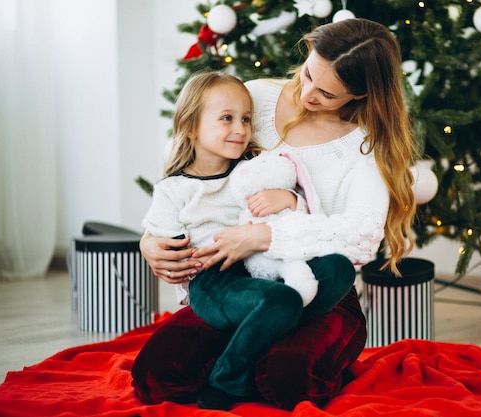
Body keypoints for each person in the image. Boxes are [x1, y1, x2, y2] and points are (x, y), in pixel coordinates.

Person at [132, 17, 418, 410]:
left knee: (288, 381)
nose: (308, 94)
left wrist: (265, 236)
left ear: (361, 94)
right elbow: (192, 165)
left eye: (327, 94)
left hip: (318, 283)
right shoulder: (253, 99)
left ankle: (252, 357)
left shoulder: (365, 148)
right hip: (238, 276)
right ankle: (259, 340)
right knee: (159, 376)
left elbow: (362, 234)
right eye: (308, 74)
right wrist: (151, 242)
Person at [141, 71, 341, 410]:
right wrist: (149, 244)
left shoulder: (253, 170)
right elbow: (159, 243)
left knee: (335, 269)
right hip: (214, 279)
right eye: (226, 119)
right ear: (191, 126)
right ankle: (228, 378)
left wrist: (291, 201)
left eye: (246, 119)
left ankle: (285, 324)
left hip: (264, 266)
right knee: (281, 301)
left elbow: (293, 219)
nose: (240, 129)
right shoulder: (173, 190)